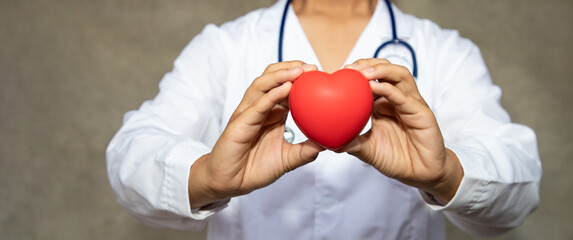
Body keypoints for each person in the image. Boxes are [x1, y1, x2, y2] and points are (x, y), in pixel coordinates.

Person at [106, 0, 541, 239]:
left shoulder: (444, 51)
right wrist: (205, 177)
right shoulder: (225, 46)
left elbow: (517, 191)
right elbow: (132, 154)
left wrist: (447, 174)